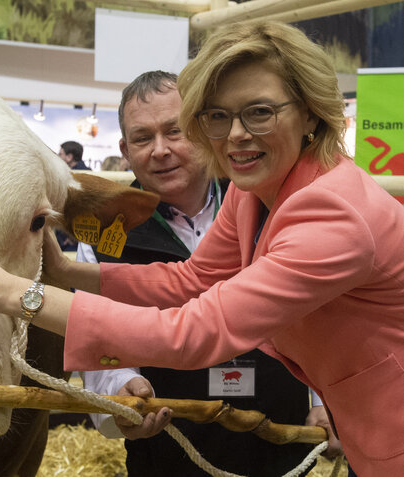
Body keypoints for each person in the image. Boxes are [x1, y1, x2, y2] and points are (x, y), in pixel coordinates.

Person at [0, 20, 404, 476]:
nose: (236, 135)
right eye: (217, 117)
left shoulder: (331, 214)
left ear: (312, 114)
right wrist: (69, 272)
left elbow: (196, 331)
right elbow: (191, 280)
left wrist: (12, 294)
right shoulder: (256, 191)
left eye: (260, 112)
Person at [77, 70, 314, 476]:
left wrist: (325, 404)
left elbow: (316, 314)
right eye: (142, 138)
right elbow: (98, 335)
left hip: (281, 434)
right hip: (170, 444)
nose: (160, 150)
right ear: (124, 149)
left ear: (203, 132)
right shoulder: (101, 233)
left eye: (174, 131)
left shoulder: (271, 201)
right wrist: (119, 389)